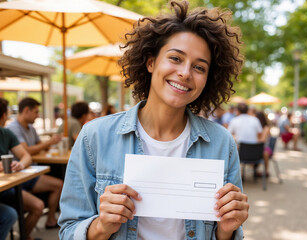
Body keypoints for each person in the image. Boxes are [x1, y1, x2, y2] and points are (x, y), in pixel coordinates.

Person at [58, 1, 249, 239]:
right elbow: (67, 231)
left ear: (208, 79)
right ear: (150, 62)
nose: (186, 73)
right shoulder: (94, 137)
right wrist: (100, 226)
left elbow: (227, 235)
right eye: (176, 58)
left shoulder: (221, 143)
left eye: (199, 67)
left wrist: (227, 230)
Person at [6, 97, 63, 230]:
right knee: (37, 205)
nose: (38, 116)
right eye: (36, 112)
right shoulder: (12, 129)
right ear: (26, 110)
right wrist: (49, 142)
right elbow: (27, 150)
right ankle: (25, 236)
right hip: (17, 176)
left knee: (59, 185)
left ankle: (50, 220)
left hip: (31, 173)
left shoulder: (31, 128)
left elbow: (38, 146)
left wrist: (48, 144)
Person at [0, 97, 46, 240]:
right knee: (11, 214)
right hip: (7, 186)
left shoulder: (5, 133)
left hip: (7, 187)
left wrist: (21, 164)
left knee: (37, 205)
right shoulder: (12, 128)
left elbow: (25, 155)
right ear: (4, 116)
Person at [255, 111, 272, 177]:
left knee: (265, 153)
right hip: (256, 147)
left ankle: (266, 171)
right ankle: (254, 170)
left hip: (264, 147)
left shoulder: (266, 128)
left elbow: (262, 140)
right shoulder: (256, 127)